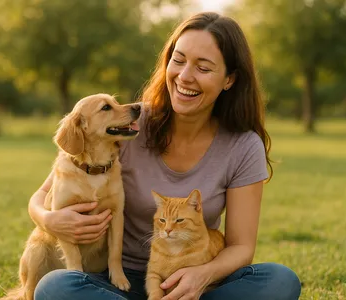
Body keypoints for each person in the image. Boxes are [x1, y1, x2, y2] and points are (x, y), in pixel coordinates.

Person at [30, 12, 301, 300]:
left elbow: (241, 247)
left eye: (204, 68)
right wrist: (48, 220)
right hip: (119, 281)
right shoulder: (127, 124)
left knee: (280, 281)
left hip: (194, 282)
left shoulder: (243, 146)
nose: (185, 76)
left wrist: (202, 276)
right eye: (179, 60)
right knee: (56, 287)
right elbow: (42, 195)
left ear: (229, 80)